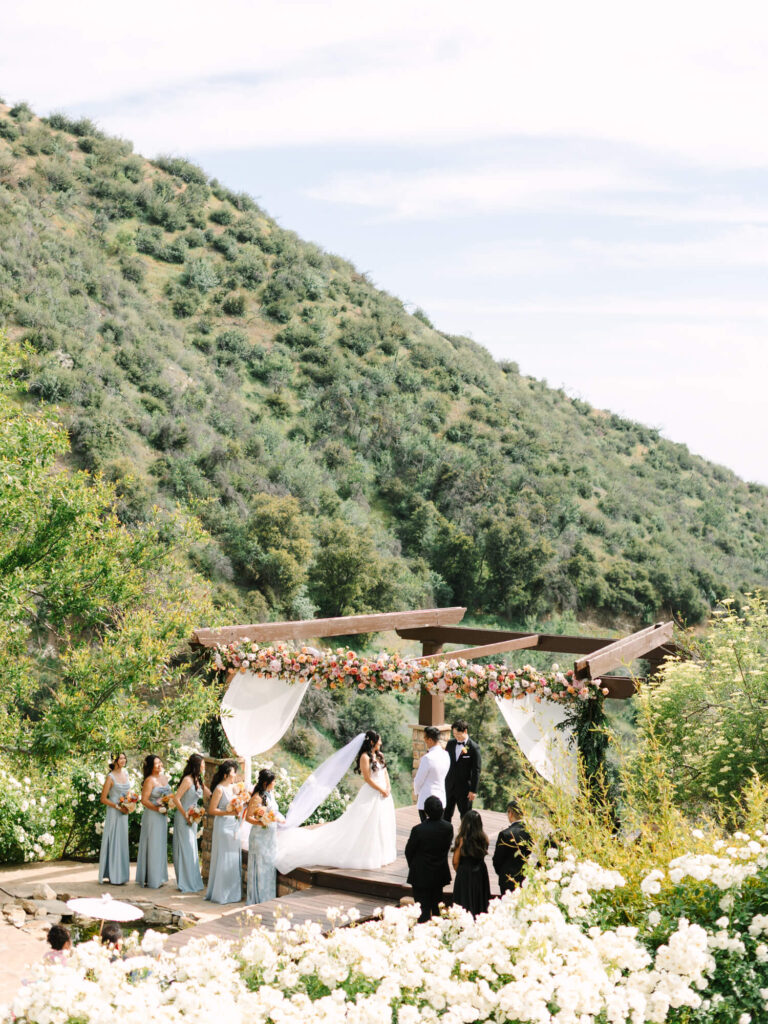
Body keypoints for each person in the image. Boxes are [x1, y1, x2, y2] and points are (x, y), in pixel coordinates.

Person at [275, 730, 397, 874]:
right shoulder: (365, 757)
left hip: (384, 794)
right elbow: (367, 779)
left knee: (382, 823)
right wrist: (380, 790)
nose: (381, 743)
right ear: (372, 742)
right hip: (372, 793)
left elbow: (385, 773)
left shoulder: (380, 756)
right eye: (379, 741)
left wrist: (387, 788)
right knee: (365, 823)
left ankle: (381, 853)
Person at [404, 795, 453, 922]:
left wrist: (414, 865)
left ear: (426, 811)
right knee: (438, 908)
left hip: (420, 873)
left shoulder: (418, 830)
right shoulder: (448, 828)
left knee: (422, 911)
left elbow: (408, 851)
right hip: (439, 872)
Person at [205, 759, 243, 904]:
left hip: (234, 825)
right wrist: (229, 812)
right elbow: (212, 810)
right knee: (223, 857)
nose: (235, 775)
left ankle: (232, 893)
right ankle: (221, 894)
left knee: (233, 858)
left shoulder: (233, 788)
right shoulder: (219, 789)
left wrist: (239, 807)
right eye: (233, 772)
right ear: (226, 774)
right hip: (223, 826)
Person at [172, 753, 210, 893]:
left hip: (193, 819)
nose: (204, 767)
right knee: (186, 849)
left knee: (192, 850)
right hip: (183, 818)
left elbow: (210, 794)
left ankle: (192, 881)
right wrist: (186, 816)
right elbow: (176, 799)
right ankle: (185, 882)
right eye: (202, 765)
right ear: (196, 766)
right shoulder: (187, 780)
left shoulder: (197, 780)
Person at [245, 769, 284, 904]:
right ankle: (259, 898)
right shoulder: (257, 797)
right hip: (259, 837)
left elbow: (274, 813)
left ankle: (268, 897)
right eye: (273, 782)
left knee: (269, 865)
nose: (274, 784)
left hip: (270, 837)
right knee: (260, 867)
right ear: (266, 782)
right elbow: (248, 817)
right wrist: (261, 821)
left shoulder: (270, 795)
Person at [135, 754, 171, 888]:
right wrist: (158, 809)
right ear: (151, 766)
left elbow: (169, 796)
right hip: (152, 815)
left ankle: (159, 876)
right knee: (152, 844)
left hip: (162, 816)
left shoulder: (164, 778)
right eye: (157, 764)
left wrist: (169, 804)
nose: (160, 765)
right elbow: (144, 800)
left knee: (160, 845)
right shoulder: (149, 781)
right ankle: (151, 878)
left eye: (160, 763)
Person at [98, 752, 131, 885]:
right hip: (114, 812)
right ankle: (112, 874)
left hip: (124, 812)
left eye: (124, 757)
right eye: (120, 758)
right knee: (114, 841)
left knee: (122, 841)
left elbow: (128, 793)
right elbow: (103, 799)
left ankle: (122, 875)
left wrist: (129, 803)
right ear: (115, 760)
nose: (123, 760)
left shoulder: (126, 774)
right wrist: (118, 806)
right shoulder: (110, 777)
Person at [451, 809, 491, 916]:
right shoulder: (484, 838)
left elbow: (455, 861)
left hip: (465, 871)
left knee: (464, 900)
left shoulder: (461, 839)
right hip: (480, 871)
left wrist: (460, 871)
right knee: (479, 899)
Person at [444, 720, 481, 823]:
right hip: (449, 786)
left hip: (465, 789)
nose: (456, 737)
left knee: (465, 817)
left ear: (465, 731)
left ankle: (465, 838)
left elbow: (476, 770)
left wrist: (473, 790)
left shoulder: (474, 747)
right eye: (454, 734)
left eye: (458, 734)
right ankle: (445, 838)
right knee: (446, 814)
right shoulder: (450, 744)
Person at [492, 799, 532, 894]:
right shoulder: (530, 833)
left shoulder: (505, 834)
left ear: (510, 813)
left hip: (507, 877)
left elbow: (497, 860)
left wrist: (502, 873)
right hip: (524, 876)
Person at [413, 727, 450, 822]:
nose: (424, 741)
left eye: (425, 738)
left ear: (430, 740)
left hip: (426, 799)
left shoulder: (427, 758)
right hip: (441, 798)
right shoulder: (446, 755)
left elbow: (418, 780)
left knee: (427, 829)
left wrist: (417, 792)